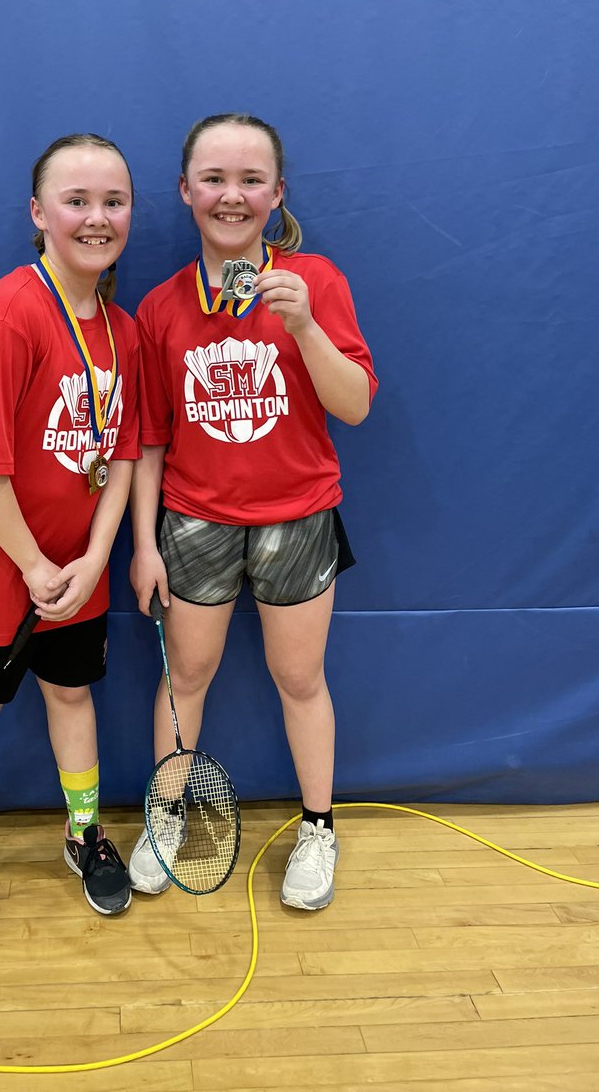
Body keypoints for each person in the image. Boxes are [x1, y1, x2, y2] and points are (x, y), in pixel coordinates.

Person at [128, 113, 377, 910]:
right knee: (186, 676)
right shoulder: (160, 309)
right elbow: (151, 441)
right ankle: (166, 813)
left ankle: (318, 827)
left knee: (300, 678)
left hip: (297, 516)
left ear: (277, 194)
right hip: (194, 521)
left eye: (249, 181)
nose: (231, 196)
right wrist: (144, 544)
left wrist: (303, 325)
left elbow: (358, 406)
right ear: (184, 191)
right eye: (214, 179)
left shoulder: (319, 283)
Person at [0, 134, 140, 918]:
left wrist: (92, 558)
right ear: (38, 213)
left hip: (75, 569)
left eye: (113, 201)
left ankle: (82, 831)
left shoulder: (120, 328)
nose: (96, 217)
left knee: (72, 695)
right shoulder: (9, 313)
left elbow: (120, 458)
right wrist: (32, 565)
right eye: (76, 200)